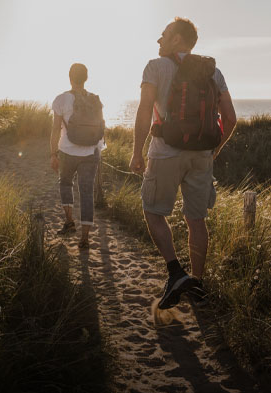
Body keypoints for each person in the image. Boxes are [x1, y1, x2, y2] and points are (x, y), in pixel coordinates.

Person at [129, 17, 237, 309]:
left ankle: (176, 272)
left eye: (164, 35)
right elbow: (230, 119)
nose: (159, 40)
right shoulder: (213, 72)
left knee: (152, 211)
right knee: (196, 219)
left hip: (165, 152)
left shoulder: (155, 66)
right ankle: (197, 286)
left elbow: (143, 111)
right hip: (202, 155)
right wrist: (213, 150)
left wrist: (137, 151)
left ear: (177, 39)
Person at [50, 63, 105, 249]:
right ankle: (85, 238)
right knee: (87, 192)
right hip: (90, 152)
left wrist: (52, 153)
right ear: (86, 78)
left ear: (70, 77)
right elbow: (100, 126)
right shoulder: (95, 99)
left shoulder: (61, 100)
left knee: (65, 184)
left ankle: (69, 221)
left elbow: (55, 129)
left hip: (66, 150)